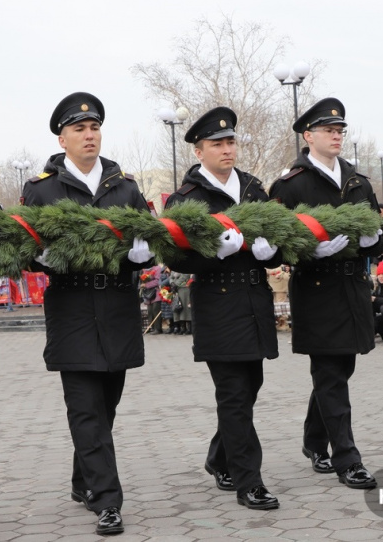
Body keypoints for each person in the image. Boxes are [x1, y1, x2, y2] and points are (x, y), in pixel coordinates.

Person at [21, 92, 152, 535]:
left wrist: (144, 254)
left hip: (116, 305)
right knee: (86, 409)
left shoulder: (125, 186)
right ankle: (108, 500)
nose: (89, 135)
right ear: (62, 137)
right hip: (72, 307)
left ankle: (84, 480)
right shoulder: (41, 189)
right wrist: (41, 259)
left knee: (106, 406)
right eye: (79, 129)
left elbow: (148, 243)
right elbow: (24, 248)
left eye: (94, 127)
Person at [163, 106, 282, 509]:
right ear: (199, 150)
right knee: (233, 394)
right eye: (217, 143)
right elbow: (174, 258)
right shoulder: (186, 199)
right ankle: (251, 482)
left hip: (254, 301)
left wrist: (271, 252)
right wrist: (213, 253)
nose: (227, 149)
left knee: (250, 389)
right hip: (219, 302)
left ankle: (219, 457)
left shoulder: (252, 187)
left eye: (230, 141)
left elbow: (270, 237)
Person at [269, 97, 383, 491]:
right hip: (317, 288)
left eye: (340, 131)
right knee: (331, 373)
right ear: (308, 135)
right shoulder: (291, 184)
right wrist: (308, 251)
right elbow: (278, 241)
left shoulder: (357, 181)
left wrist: (373, 241)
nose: (336, 136)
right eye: (328, 131)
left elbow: (375, 237)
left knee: (341, 369)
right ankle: (347, 458)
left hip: (351, 285)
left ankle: (314, 440)